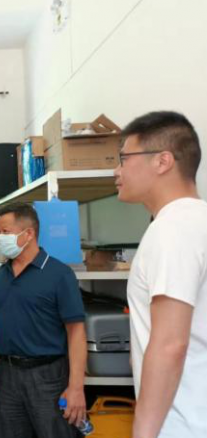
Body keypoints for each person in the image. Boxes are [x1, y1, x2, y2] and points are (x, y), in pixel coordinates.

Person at [115, 111, 207, 438]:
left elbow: (170, 344)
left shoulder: (173, 229)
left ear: (163, 161)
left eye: (124, 158)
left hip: (182, 424)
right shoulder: (196, 221)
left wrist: (143, 433)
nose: (117, 171)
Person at [0, 202, 87, 438]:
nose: (0, 239)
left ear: (28, 234)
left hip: (48, 376)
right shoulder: (1, 276)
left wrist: (76, 387)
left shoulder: (59, 275)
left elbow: (76, 332)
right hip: (7, 375)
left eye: (5, 232)